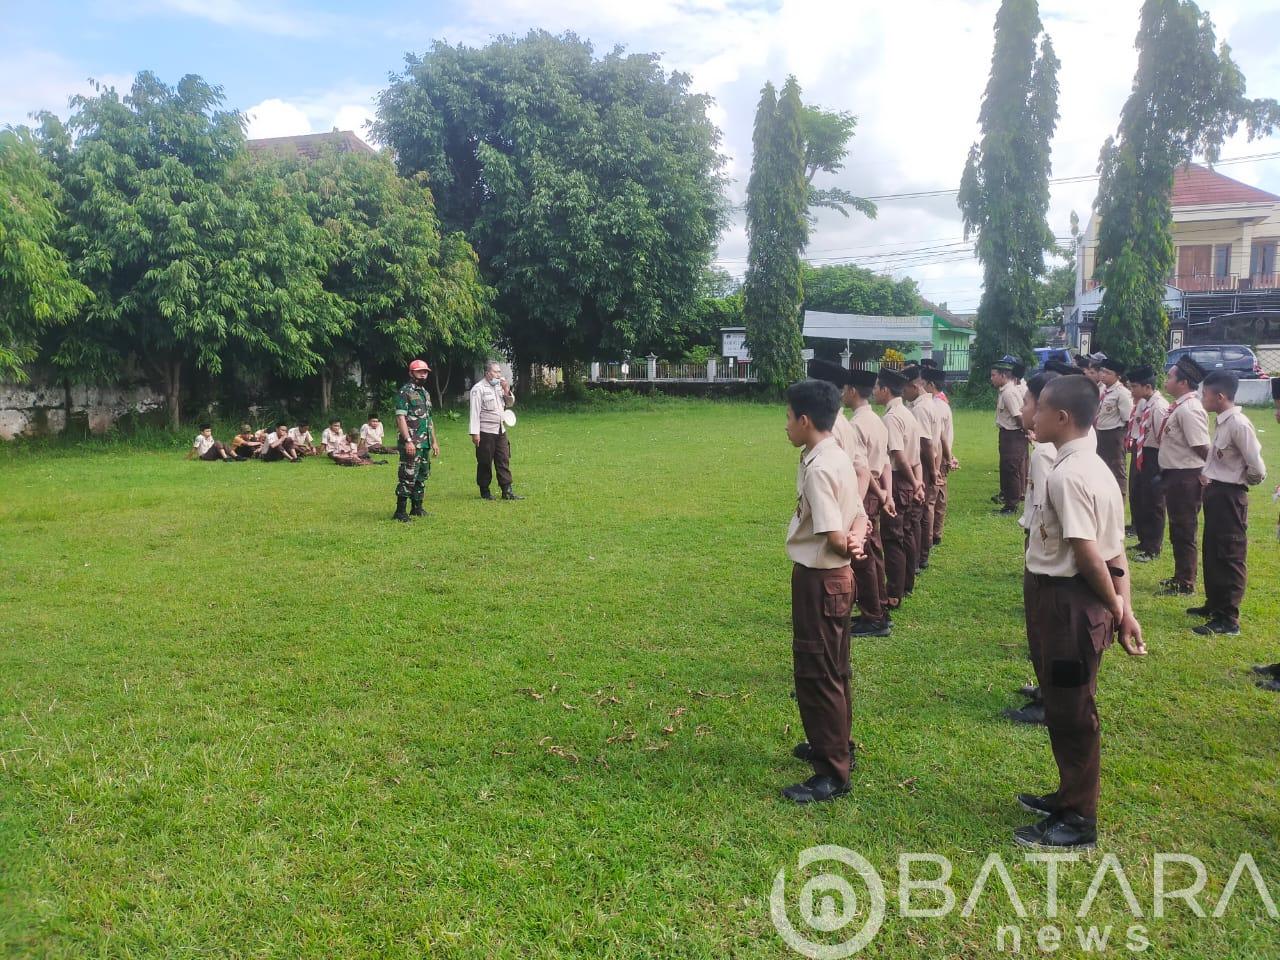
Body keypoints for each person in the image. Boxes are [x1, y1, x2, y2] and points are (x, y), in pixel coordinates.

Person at [1014, 375, 1146, 850]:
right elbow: (1117, 556)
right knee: (1066, 703)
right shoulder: (1096, 468)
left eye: (1041, 408)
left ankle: (1079, 819)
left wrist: (1116, 608)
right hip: (1074, 601)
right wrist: (1125, 610)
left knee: (1072, 712)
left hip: (1070, 604)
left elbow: (1090, 554)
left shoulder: (1068, 476)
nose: (1034, 416)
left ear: (1062, 418)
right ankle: (1069, 796)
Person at [780, 378, 868, 805]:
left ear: (805, 419)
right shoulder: (836, 455)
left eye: (789, 418)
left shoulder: (819, 467)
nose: (786, 426)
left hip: (822, 578)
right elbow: (860, 516)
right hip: (835, 578)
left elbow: (834, 535)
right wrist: (856, 537)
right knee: (835, 668)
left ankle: (832, 771)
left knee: (819, 672)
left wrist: (847, 541)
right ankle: (835, 745)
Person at [1189, 370, 1266, 636]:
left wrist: (1239, 482)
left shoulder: (1239, 424)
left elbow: (1257, 466)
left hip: (1230, 495)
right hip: (1216, 493)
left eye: (1205, 394)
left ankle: (1229, 618)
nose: (1202, 398)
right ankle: (1215, 604)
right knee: (1213, 551)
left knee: (1230, 554)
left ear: (1220, 397)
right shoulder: (1223, 421)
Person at [1005, 371, 1060, 727]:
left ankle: (1048, 698)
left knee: (1043, 624)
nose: (1022, 408)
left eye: (1027, 402)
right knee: (1043, 624)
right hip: (1043, 541)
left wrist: (1035, 553)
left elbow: (1042, 509)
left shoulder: (1043, 454)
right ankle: (1045, 690)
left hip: (1042, 542)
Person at [845, 368, 893, 637]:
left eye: (845, 389)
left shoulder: (856, 425)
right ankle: (879, 609)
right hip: (875, 492)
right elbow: (885, 461)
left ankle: (873, 617)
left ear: (852, 391)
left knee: (862, 558)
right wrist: (886, 492)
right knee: (874, 554)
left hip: (865, 493)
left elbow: (863, 469)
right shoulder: (876, 420)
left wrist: (874, 494)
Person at [1157, 356, 1211, 596]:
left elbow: (1202, 447)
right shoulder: (1180, 406)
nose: (1166, 381)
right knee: (1178, 528)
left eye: (1170, 377)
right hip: (1175, 475)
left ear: (1183, 382)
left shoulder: (1189, 409)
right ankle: (1181, 576)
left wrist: (1206, 473)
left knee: (1184, 529)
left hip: (1186, 477)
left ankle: (1186, 581)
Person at [876, 368, 923, 609]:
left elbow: (899, 456)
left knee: (893, 538)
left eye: (876, 388)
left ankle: (893, 592)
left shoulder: (892, 417)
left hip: (897, 479)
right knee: (905, 534)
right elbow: (915, 458)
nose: (874, 392)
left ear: (885, 390)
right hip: (909, 478)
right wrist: (917, 481)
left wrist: (914, 483)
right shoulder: (906, 413)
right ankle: (906, 583)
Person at [1124, 366, 1168, 563]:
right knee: (1139, 496)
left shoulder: (1158, 407)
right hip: (1140, 452)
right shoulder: (1144, 403)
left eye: (1134, 387)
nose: (1131, 390)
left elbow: (1162, 439)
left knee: (1153, 502)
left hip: (1154, 456)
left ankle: (1153, 546)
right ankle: (1143, 540)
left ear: (1147, 387)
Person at [903, 365, 940, 571]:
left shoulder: (920, 409)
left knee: (918, 513)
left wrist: (933, 471)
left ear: (915, 386)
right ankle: (921, 555)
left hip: (924, 465)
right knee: (925, 510)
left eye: (905, 389)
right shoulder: (931, 404)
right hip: (928, 463)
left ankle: (918, 557)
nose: (903, 393)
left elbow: (925, 443)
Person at [393, 359, 440, 522]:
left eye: (425, 371)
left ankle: (417, 508)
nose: (423, 373)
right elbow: (400, 418)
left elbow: (429, 419)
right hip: (412, 442)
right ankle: (400, 512)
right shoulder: (404, 392)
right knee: (408, 475)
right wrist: (408, 440)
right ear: (411, 373)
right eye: (420, 371)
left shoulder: (425, 393)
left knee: (422, 475)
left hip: (424, 442)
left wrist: (434, 441)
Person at [469, 360, 522, 501]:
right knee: (485, 461)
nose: (499, 374)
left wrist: (506, 390)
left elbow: (510, 404)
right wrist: (475, 433)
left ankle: (507, 490)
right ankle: (485, 491)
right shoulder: (478, 389)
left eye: (500, 371)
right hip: (485, 431)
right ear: (487, 373)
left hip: (500, 429)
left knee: (503, 458)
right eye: (496, 371)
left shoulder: (500, 386)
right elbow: (474, 412)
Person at [924, 369, 957, 547]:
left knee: (932, 499)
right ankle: (936, 532)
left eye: (924, 384)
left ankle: (931, 535)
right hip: (944, 454)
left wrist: (947, 457)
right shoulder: (942, 404)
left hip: (937, 455)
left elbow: (939, 437)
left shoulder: (935, 405)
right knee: (940, 496)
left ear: (931, 385)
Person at [992, 356, 1028, 515]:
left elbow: (1018, 416)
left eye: (994, 375)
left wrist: (1026, 431)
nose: (991, 378)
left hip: (1013, 435)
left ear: (1003, 375)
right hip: (1007, 434)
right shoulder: (1004, 391)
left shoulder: (1009, 393)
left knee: (1011, 468)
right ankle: (1008, 500)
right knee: (1006, 468)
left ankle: (1012, 504)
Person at [1093, 359, 1133, 498]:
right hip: (1101, 433)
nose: (1103, 375)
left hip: (1115, 434)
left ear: (1118, 376)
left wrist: (1122, 439)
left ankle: (1120, 497)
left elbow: (1127, 419)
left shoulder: (1122, 393)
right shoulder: (1103, 390)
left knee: (1117, 469)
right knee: (1101, 466)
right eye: (1102, 371)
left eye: (1108, 373)